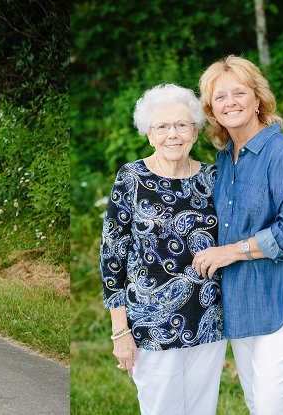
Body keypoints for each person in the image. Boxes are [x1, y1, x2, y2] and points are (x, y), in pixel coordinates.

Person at [193, 55, 283, 415]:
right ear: (211, 110)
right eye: (220, 97)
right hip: (242, 302)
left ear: (257, 99)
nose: (230, 102)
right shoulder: (224, 160)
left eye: (239, 92)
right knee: (256, 405)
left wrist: (230, 252)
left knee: (271, 408)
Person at [100, 83, 227, 415]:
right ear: (149, 134)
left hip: (209, 320)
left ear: (195, 132)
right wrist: (119, 332)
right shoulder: (131, 178)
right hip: (150, 324)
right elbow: (112, 257)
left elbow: (246, 227)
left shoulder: (213, 178)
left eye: (182, 125)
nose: (173, 134)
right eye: (162, 127)